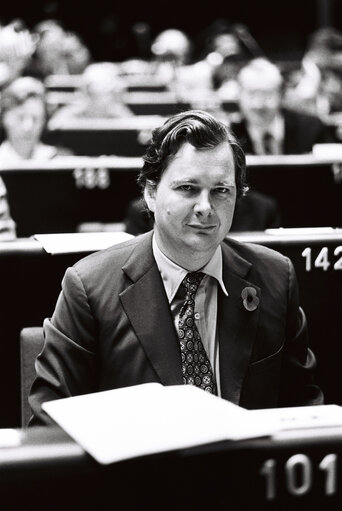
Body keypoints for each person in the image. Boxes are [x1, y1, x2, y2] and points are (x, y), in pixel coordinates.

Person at [29, 110, 323, 426]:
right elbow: (51, 427)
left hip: (242, 472)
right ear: (151, 193)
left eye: (221, 190)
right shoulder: (88, 287)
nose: (206, 207)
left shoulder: (276, 277)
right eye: (188, 188)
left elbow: (304, 410)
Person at [0, 76, 73, 238]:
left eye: (36, 119)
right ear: (4, 118)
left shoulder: (64, 161)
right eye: (20, 117)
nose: (28, 127)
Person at [230, 57, 334, 155]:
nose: (259, 104)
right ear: (239, 96)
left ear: (281, 95)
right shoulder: (228, 136)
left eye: (267, 94)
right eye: (251, 94)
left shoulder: (311, 129)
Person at [48, 61, 133, 126]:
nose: (115, 96)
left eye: (114, 92)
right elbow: (53, 129)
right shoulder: (69, 113)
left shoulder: (119, 112)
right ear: (88, 92)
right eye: (109, 91)